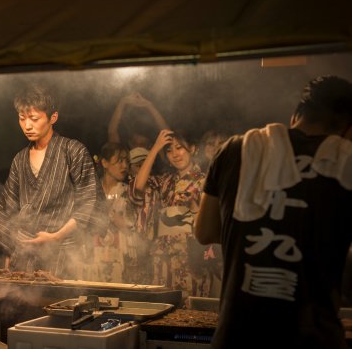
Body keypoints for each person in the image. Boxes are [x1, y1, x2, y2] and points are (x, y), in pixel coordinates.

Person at [195, 75, 352, 349]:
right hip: (312, 339)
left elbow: (205, 231)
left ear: (296, 115)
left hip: (237, 337)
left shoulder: (234, 149)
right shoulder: (348, 161)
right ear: (346, 125)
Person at [0, 84, 99, 278]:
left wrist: (56, 236)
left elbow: (88, 202)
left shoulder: (73, 151)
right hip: (24, 258)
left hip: (63, 256)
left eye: (34, 118)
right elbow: (6, 209)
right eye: (22, 119)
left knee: (55, 305)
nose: (27, 125)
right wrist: (10, 249)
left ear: (53, 118)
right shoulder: (20, 159)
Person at [130, 129, 212, 299]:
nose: (175, 154)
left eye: (179, 148)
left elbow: (212, 221)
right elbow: (138, 186)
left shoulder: (204, 180)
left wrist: (195, 208)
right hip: (163, 256)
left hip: (191, 257)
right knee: (164, 307)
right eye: (169, 150)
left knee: (191, 312)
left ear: (193, 149)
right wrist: (155, 148)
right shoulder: (165, 180)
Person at [93, 142, 145, 283]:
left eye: (126, 161)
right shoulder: (93, 191)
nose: (124, 166)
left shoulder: (128, 192)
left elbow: (136, 229)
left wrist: (116, 219)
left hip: (122, 255)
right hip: (97, 255)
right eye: (119, 161)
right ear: (104, 163)